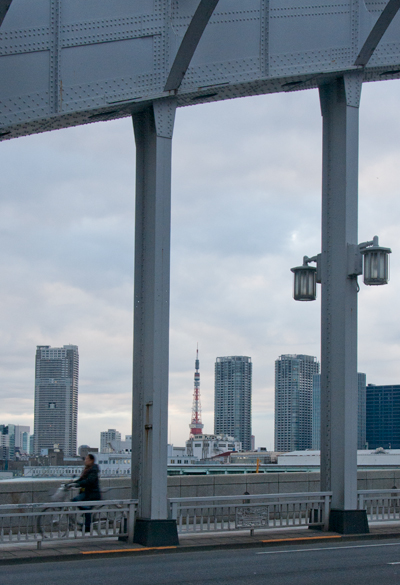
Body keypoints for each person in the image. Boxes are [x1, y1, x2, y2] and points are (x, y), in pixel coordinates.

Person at [70, 453, 101, 532]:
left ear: (92, 460)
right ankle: (87, 515)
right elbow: (81, 480)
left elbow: (89, 481)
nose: (85, 461)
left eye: (87, 459)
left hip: (92, 493)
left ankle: (87, 525)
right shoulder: (87, 469)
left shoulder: (93, 470)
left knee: (76, 501)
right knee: (77, 502)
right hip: (87, 492)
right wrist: (71, 483)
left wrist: (78, 484)